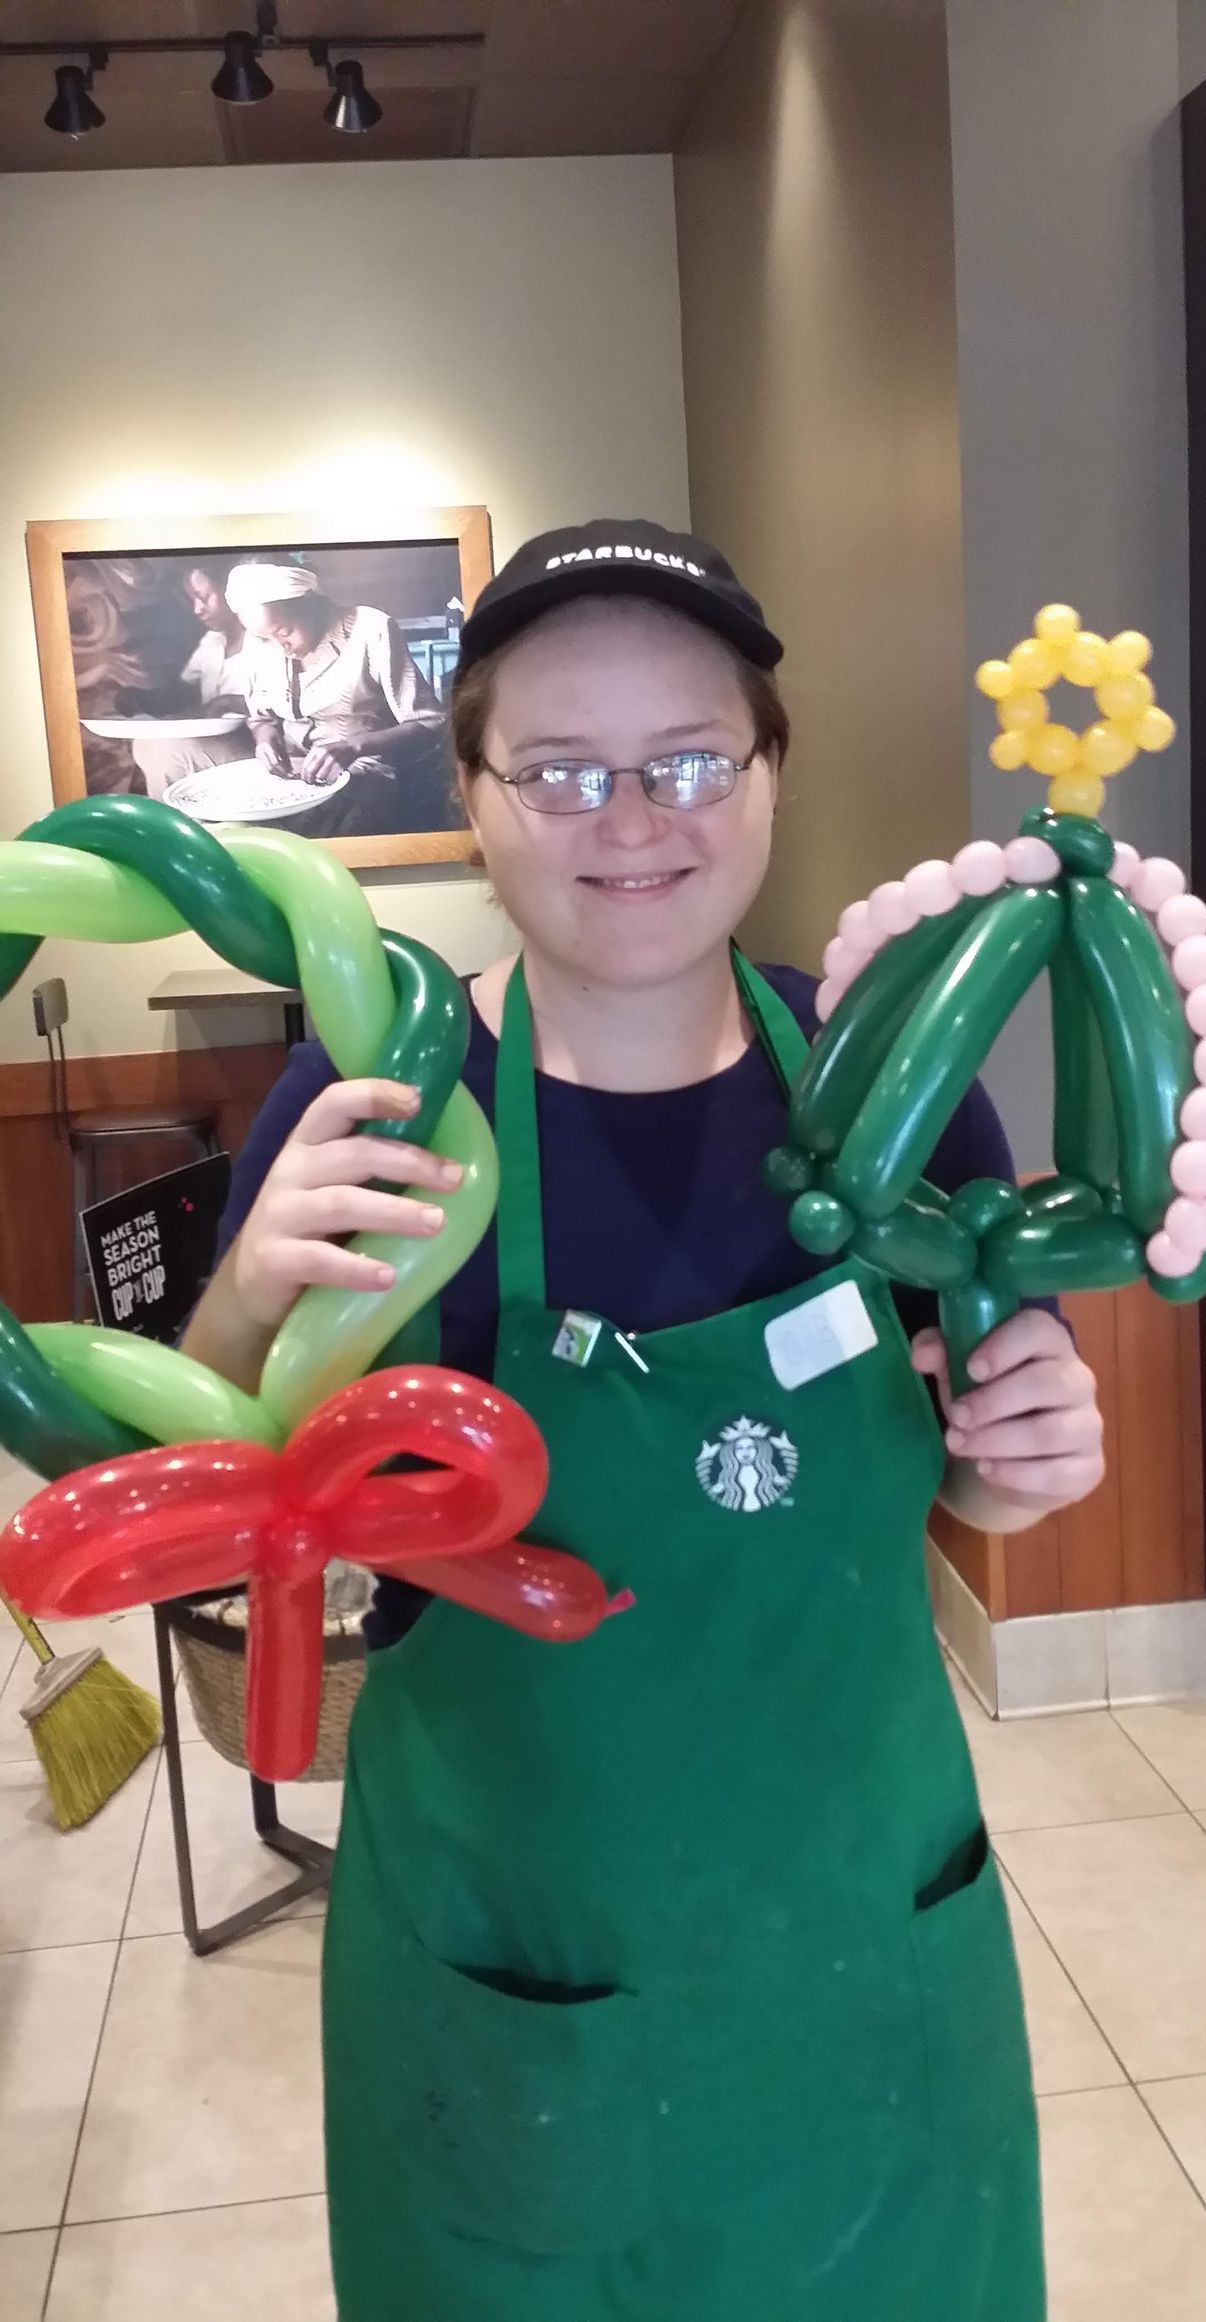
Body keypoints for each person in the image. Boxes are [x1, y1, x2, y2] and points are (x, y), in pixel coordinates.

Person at [184, 519, 1105, 2322]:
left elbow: (973, 1503)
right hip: (513, 1965)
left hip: (864, 1945)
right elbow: (216, 1490)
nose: (634, 818)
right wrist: (244, 1301)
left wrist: (1022, 1463)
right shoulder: (378, 1104)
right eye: (563, 768)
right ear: (469, 794)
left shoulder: (889, 1090)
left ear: (766, 775)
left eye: (690, 758)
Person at [224, 561, 450, 837]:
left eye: (284, 632)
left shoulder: (370, 629)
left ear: (308, 603)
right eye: (264, 638)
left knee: (267, 832)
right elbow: (262, 717)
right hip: (292, 773)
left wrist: (354, 746)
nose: (279, 647)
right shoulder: (259, 641)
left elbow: (431, 723)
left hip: (365, 775)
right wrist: (265, 738)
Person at [126, 557, 252, 799]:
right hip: (216, 743)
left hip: (255, 747)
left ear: (232, 592)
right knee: (146, 741)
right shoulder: (212, 641)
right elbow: (182, 691)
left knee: (166, 750)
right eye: (192, 600)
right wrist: (142, 699)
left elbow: (289, 704)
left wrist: (227, 703)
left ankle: (171, 829)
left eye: (203, 598)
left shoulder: (266, 639)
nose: (197, 609)